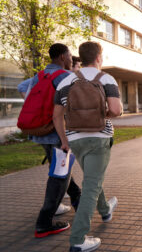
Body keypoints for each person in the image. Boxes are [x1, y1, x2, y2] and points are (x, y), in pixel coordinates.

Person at [53, 41, 122, 252]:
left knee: (93, 178)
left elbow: (56, 115)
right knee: (92, 185)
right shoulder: (106, 79)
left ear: (80, 58)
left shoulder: (66, 81)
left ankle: (105, 209)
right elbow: (117, 110)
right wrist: (101, 115)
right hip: (99, 138)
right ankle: (78, 239)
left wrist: (64, 141)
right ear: (99, 57)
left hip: (75, 140)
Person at [17, 43, 82, 238]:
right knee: (59, 176)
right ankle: (44, 222)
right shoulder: (65, 76)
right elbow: (74, 106)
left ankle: (78, 200)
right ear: (63, 56)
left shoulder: (40, 75)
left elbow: (24, 91)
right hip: (58, 134)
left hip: (41, 131)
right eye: (70, 55)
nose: (71, 59)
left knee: (60, 171)